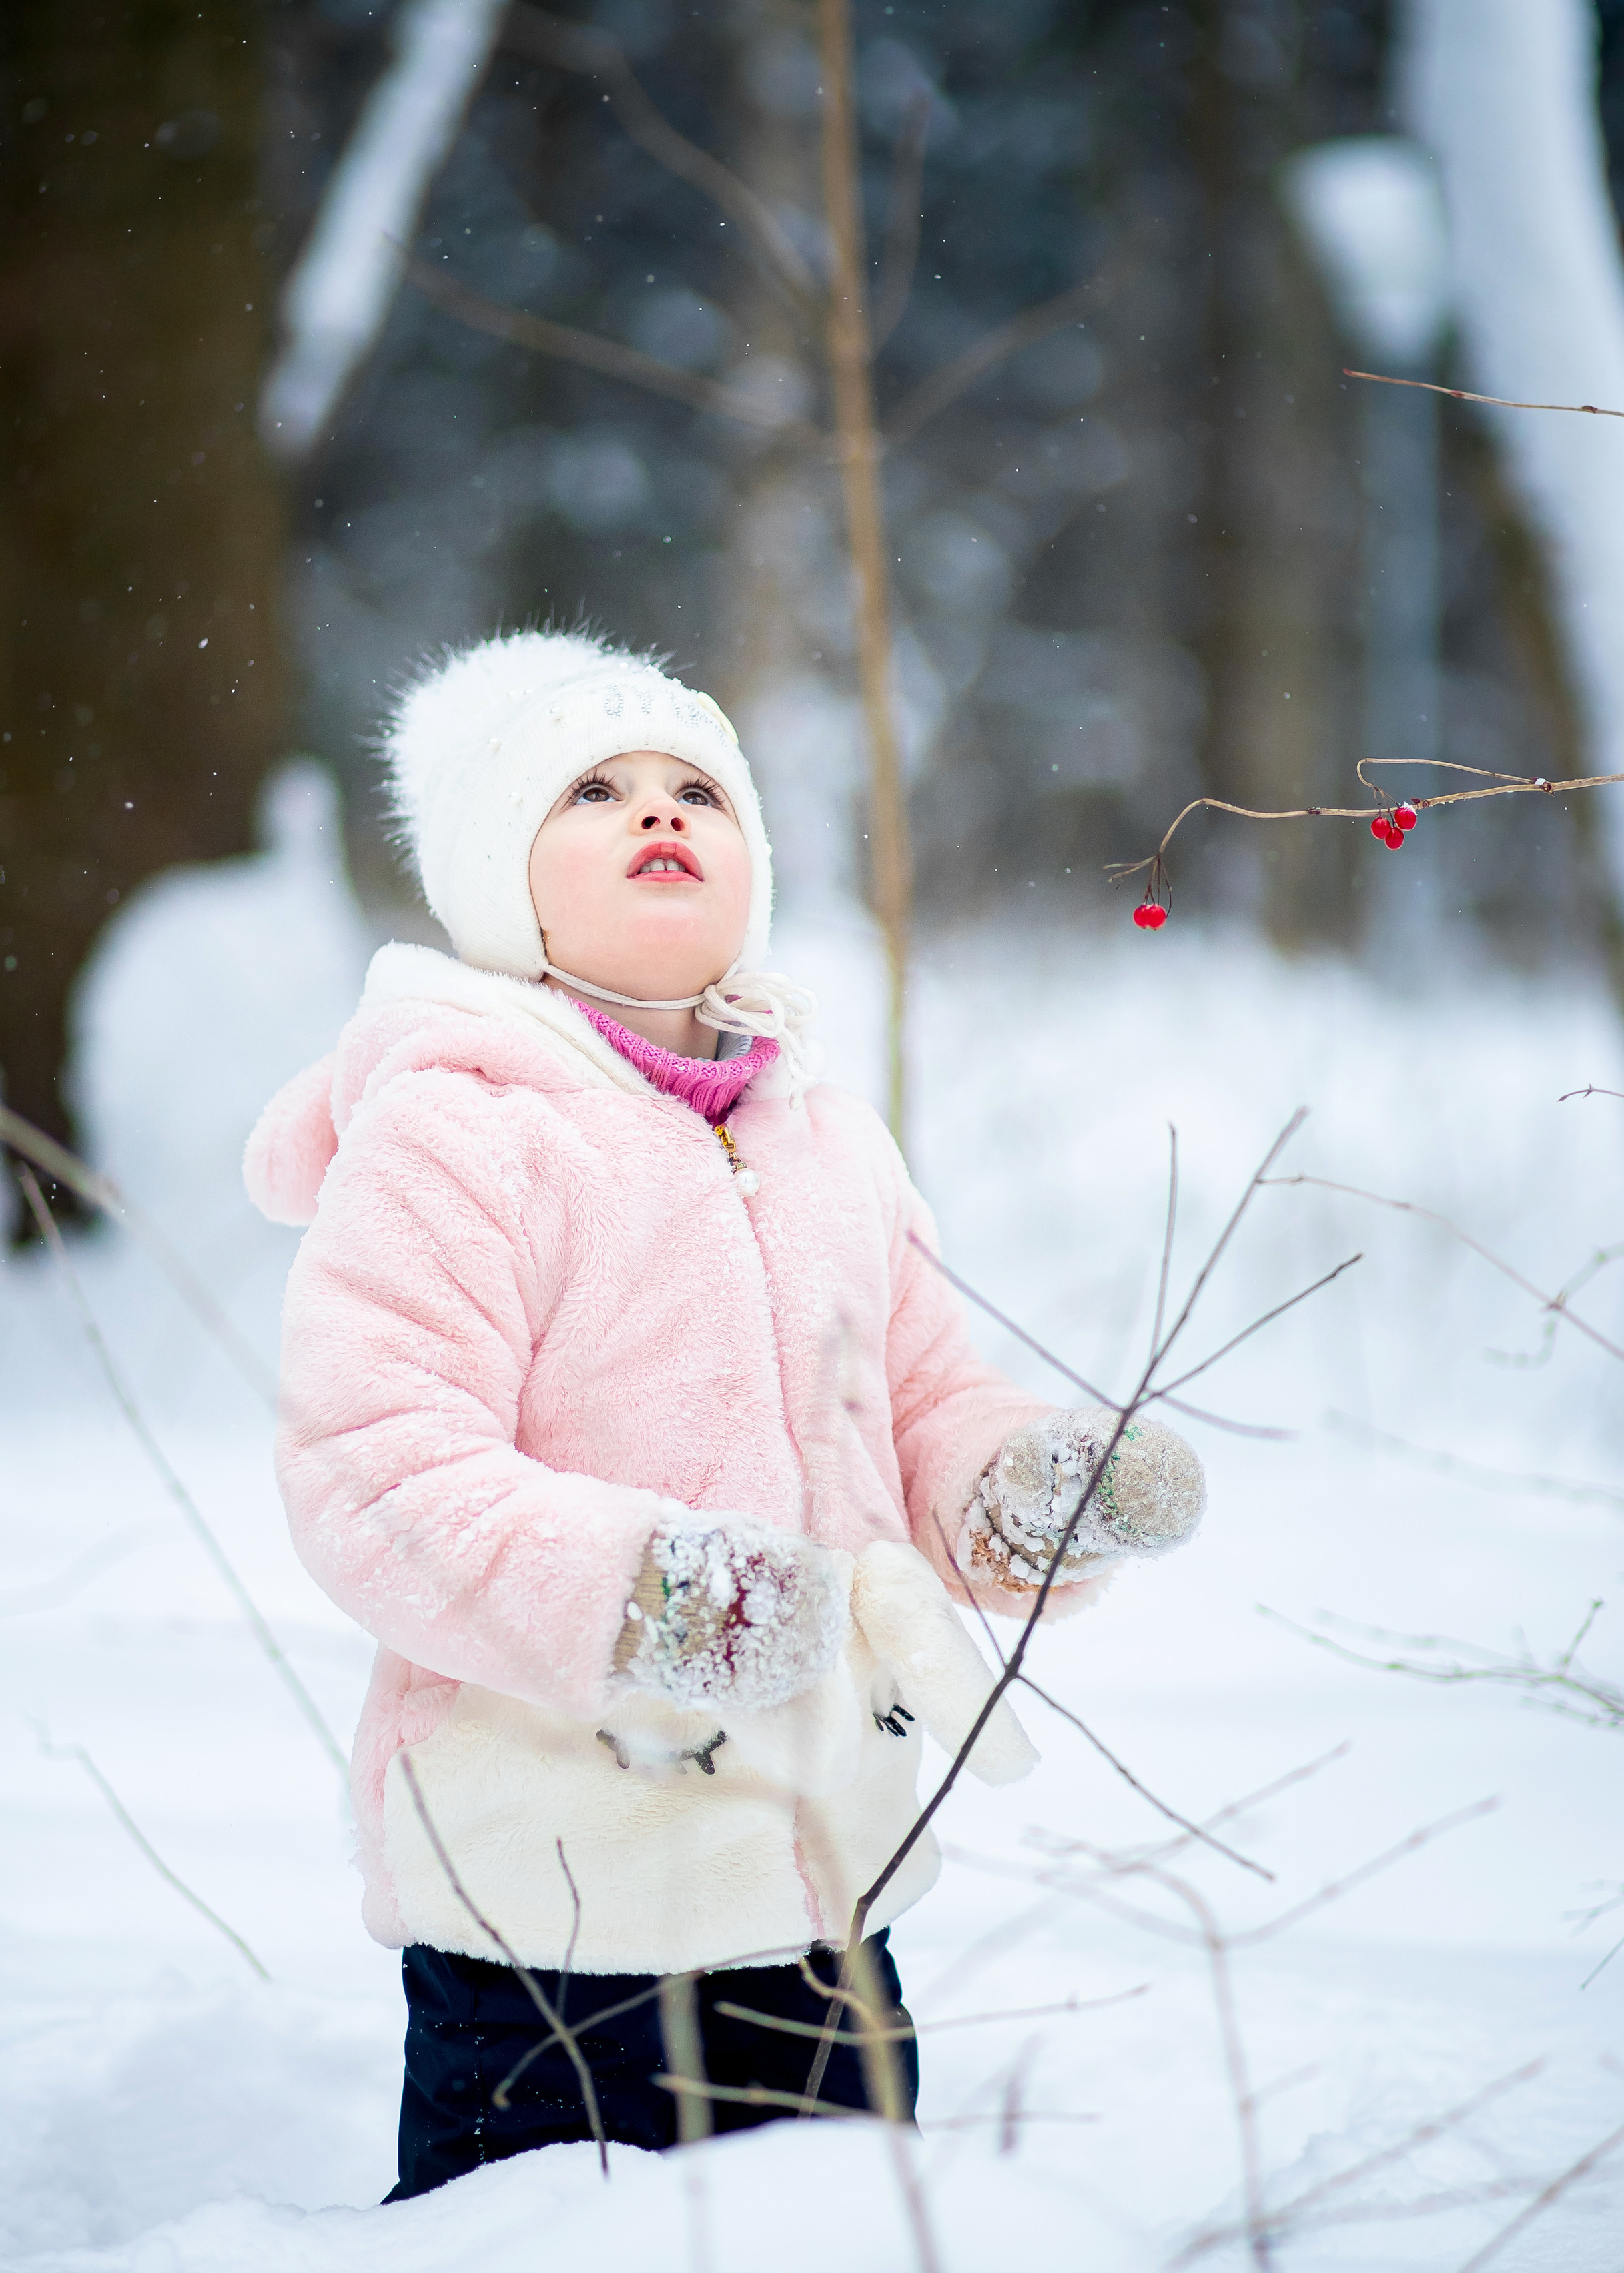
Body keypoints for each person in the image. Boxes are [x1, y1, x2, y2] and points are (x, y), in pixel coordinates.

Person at [244, 628, 1206, 2198]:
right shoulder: (457, 1136)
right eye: (595, 793)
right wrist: (655, 1599)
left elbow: (916, 1401)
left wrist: (1022, 1485)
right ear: (502, 883)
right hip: (554, 1913)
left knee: (837, 2234)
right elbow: (377, 1473)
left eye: (698, 785)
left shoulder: (823, 1133)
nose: (658, 814)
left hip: (830, 1887)